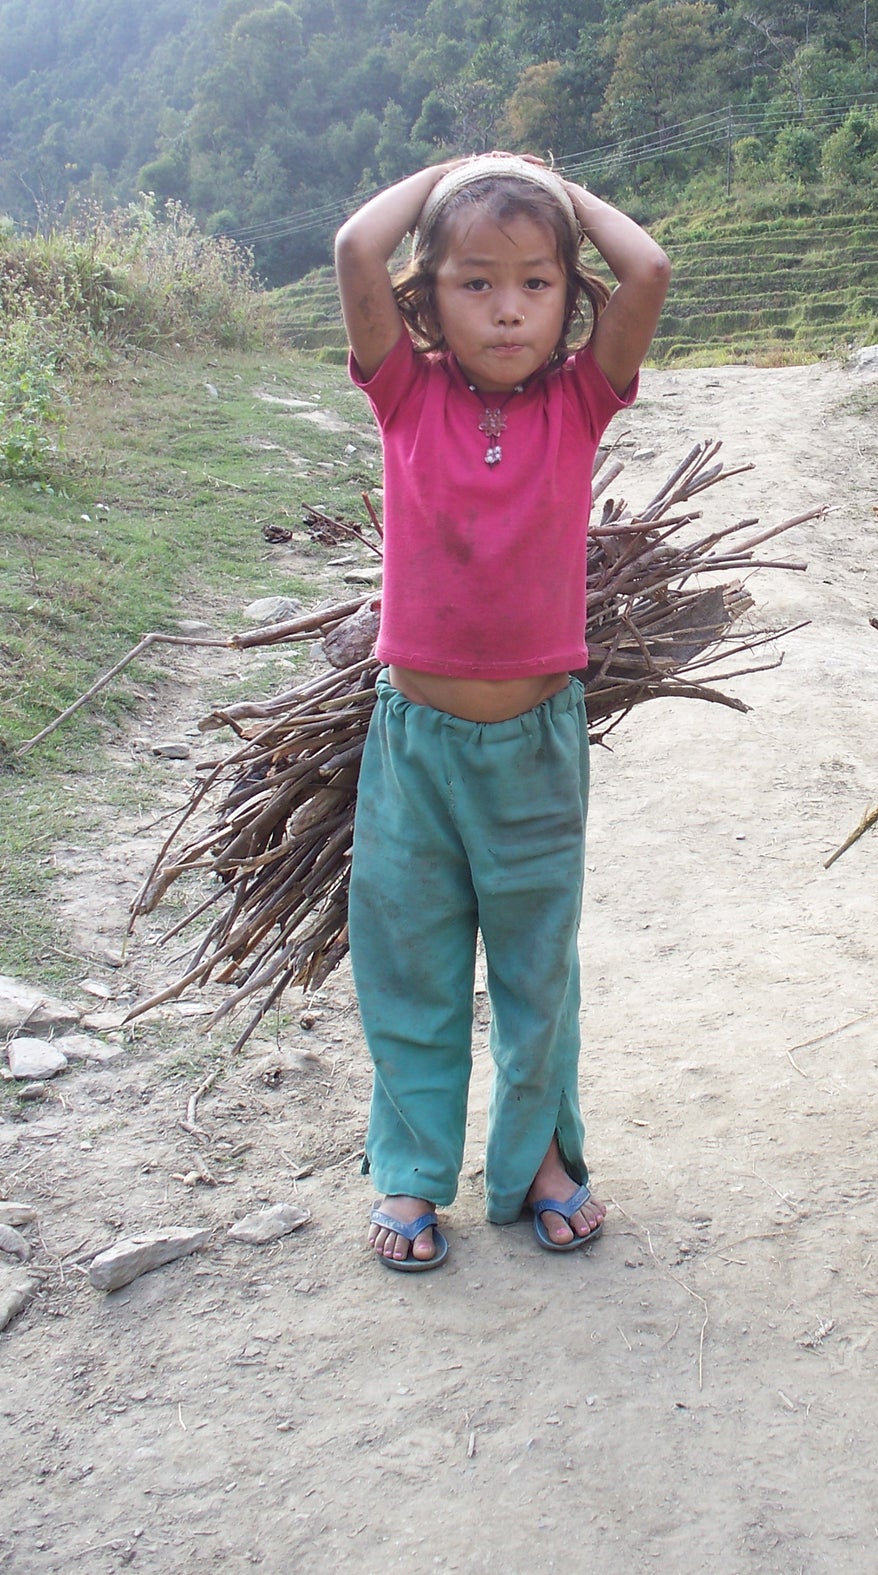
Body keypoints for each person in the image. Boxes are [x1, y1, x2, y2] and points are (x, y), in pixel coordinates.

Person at [334, 152, 670, 1270]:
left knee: (536, 969)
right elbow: (353, 250)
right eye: (474, 282)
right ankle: (412, 1172)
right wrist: (454, 172)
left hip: (535, 742)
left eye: (534, 281)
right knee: (410, 965)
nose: (508, 306)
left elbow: (649, 266)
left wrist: (547, 188)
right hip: (413, 739)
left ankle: (536, 1158)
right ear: (425, 299)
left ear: (568, 299)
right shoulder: (405, 392)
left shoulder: (578, 401)